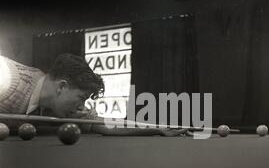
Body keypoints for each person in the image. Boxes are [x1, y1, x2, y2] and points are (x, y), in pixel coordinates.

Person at [0, 53, 186, 136]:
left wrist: (157, 128)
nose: (82, 107)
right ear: (61, 87)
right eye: (81, 98)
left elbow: (105, 124)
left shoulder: (67, 110)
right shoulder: (5, 79)